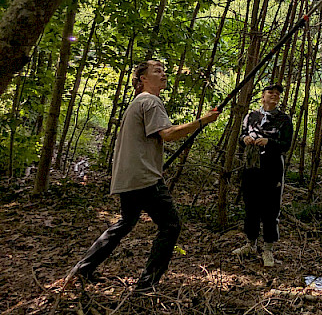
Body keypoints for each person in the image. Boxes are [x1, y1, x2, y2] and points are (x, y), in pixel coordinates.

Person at [69, 60, 220, 291]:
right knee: (171, 225)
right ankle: (146, 286)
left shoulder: (137, 103)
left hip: (129, 177)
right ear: (143, 79)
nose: (163, 74)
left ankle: (82, 270)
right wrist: (202, 121)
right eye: (157, 71)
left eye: (164, 70)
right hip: (144, 178)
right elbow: (167, 134)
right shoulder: (150, 101)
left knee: (125, 223)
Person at [232, 84, 293, 267]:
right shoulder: (251, 116)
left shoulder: (284, 119)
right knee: (251, 205)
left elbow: (286, 144)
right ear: (263, 96)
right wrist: (245, 139)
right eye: (270, 93)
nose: (274, 96)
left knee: (271, 208)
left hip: (272, 168)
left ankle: (268, 249)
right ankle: (250, 243)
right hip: (251, 166)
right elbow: (241, 136)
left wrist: (269, 142)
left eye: (277, 94)